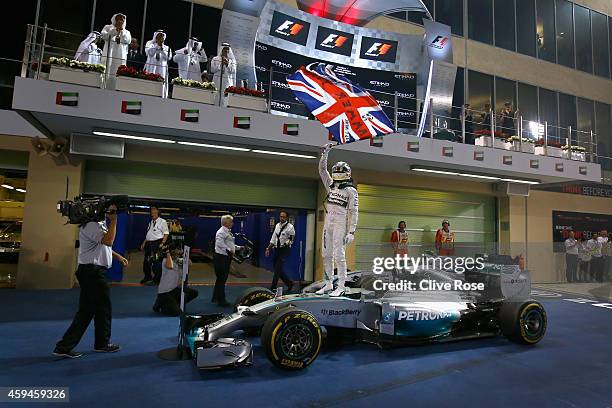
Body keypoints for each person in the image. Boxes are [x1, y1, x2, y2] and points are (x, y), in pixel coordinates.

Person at [53, 204, 129, 358]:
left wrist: (117, 256)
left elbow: (102, 245)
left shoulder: (96, 224)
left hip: (91, 272)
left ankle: (67, 346)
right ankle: (98, 344)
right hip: (92, 272)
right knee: (101, 309)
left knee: (89, 310)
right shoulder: (91, 226)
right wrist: (114, 221)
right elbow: (108, 241)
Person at [316, 143, 359, 297]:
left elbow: (354, 211)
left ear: (347, 173)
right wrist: (325, 153)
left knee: (339, 255)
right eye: (337, 171)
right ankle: (328, 283)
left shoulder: (351, 190)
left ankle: (341, 285)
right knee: (326, 255)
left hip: (341, 223)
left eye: (341, 171)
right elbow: (322, 170)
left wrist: (351, 231)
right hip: (328, 223)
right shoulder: (331, 186)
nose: (339, 173)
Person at [152, 243, 198, 316]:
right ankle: (160, 303)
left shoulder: (179, 260)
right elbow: (170, 266)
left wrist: (183, 254)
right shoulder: (165, 260)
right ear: (171, 252)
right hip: (165, 292)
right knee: (176, 312)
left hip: (174, 289)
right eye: (175, 250)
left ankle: (173, 303)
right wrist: (167, 252)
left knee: (194, 292)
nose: (177, 252)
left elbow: (189, 263)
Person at [213, 215, 241, 307]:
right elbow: (219, 244)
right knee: (222, 280)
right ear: (225, 223)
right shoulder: (221, 232)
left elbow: (230, 244)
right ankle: (221, 300)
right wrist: (229, 249)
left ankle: (215, 297)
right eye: (231, 222)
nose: (232, 223)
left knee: (220, 279)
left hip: (226, 257)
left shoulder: (228, 232)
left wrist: (239, 247)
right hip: (221, 258)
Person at [265, 210, 295, 292]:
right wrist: (268, 248)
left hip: (284, 249)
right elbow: (274, 238)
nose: (281, 218)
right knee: (276, 268)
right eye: (281, 216)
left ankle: (273, 287)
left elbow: (291, 239)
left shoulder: (290, 227)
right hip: (276, 249)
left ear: (287, 218)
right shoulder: (277, 225)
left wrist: (286, 243)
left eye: (283, 216)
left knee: (277, 269)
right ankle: (289, 283)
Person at [100, 13, 131, 89]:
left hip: (120, 56)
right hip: (109, 54)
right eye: (118, 19)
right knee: (107, 72)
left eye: (122, 20)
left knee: (117, 73)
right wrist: (115, 31)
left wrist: (121, 31)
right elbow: (104, 36)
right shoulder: (108, 27)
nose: (120, 21)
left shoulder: (127, 32)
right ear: (114, 20)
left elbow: (128, 40)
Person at [140, 206, 169, 285]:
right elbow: (149, 234)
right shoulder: (151, 222)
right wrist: (144, 243)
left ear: (158, 214)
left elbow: (166, 233)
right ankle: (147, 277)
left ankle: (157, 279)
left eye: (155, 213)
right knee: (146, 262)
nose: (153, 214)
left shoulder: (162, 221)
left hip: (157, 244)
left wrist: (162, 243)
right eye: (151, 213)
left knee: (157, 262)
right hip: (149, 244)